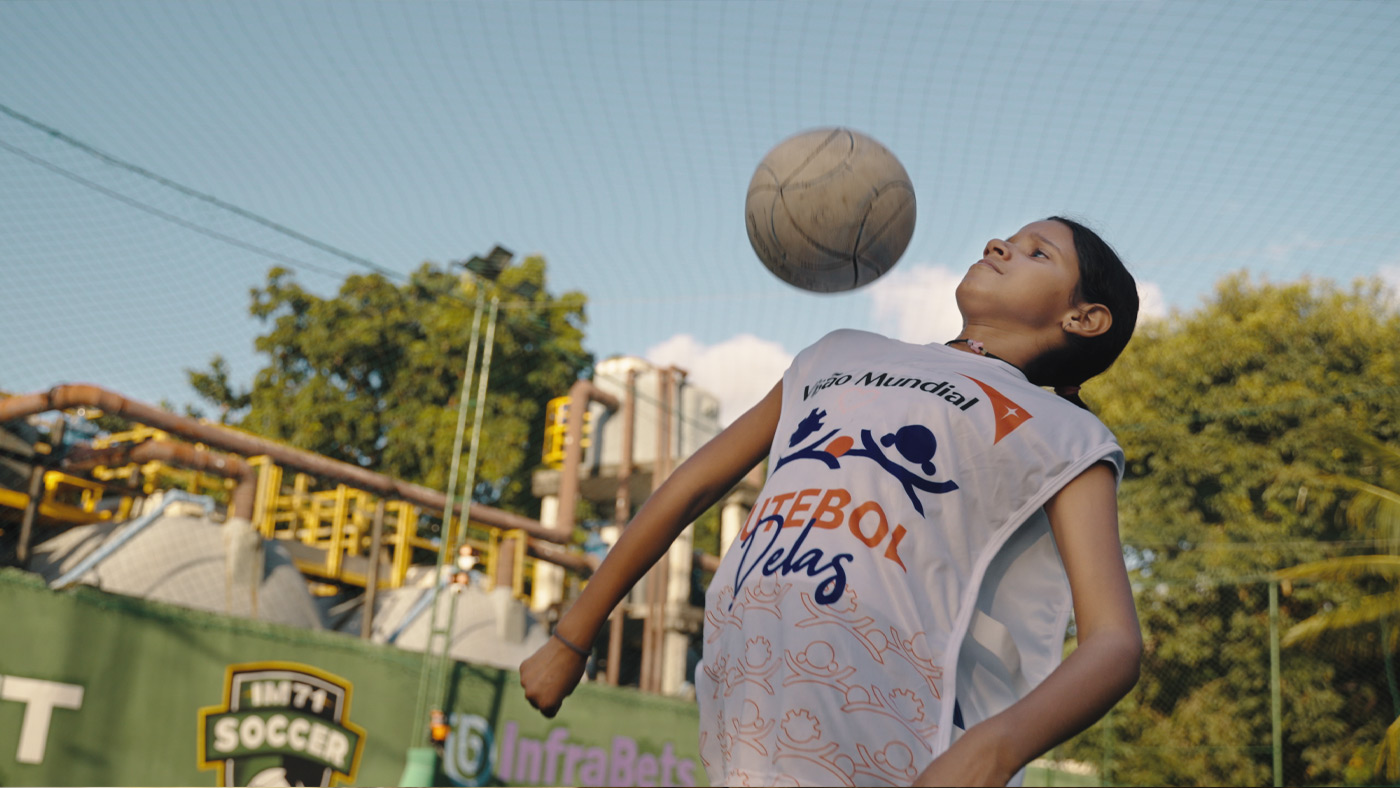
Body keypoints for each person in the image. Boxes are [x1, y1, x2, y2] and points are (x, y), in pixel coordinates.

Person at [521, 217, 1144, 786]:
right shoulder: (838, 352)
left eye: (1038, 252)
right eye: (1008, 237)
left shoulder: (1064, 433)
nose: (999, 245)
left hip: (905, 750)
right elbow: (692, 486)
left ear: (1085, 318)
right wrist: (572, 636)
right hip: (746, 735)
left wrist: (997, 749)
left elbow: (1114, 642)